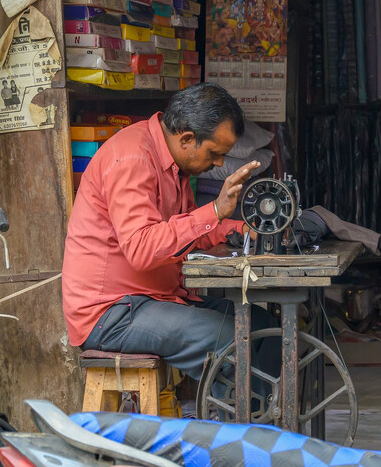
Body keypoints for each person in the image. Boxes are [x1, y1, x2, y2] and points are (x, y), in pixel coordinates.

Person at [62, 83, 277, 398]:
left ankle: (263, 420)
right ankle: (249, 438)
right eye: (214, 154)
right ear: (187, 139)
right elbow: (142, 249)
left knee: (264, 327)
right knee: (228, 338)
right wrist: (214, 210)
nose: (219, 164)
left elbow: (184, 230)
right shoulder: (133, 159)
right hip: (112, 312)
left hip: (153, 298)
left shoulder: (174, 166)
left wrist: (240, 228)